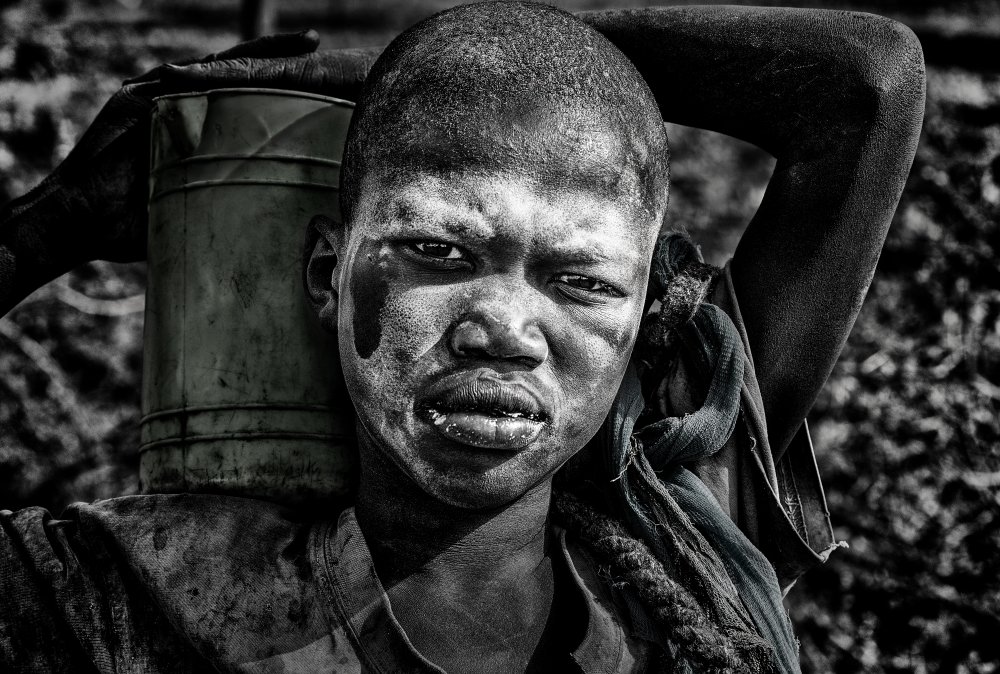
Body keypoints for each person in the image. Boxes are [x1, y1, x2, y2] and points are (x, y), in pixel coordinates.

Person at [0, 3, 924, 673]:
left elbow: (869, 82)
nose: (504, 331)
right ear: (331, 272)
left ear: (642, 311)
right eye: (438, 251)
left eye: (583, 283)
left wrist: (412, 67)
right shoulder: (117, 597)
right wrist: (37, 234)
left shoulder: (682, 545)